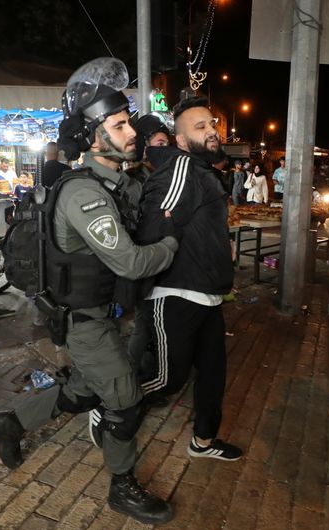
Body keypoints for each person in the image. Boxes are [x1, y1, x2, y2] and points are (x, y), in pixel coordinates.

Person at [0, 57, 179, 525]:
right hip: (82, 321)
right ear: (95, 135)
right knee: (125, 400)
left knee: (82, 390)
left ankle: (11, 423)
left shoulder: (111, 182)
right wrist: (174, 244)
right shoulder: (83, 195)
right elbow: (132, 261)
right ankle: (122, 487)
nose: (131, 132)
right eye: (119, 125)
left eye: (129, 122)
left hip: (97, 314)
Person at [125, 96, 243, 463]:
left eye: (212, 124)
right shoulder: (182, 169)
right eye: (200, 126)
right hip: (177, 293)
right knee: (166, 379)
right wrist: (143, 290)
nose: (211, 131)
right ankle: (108, 409)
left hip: (208, 295)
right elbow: (154, 229)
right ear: (179, 140)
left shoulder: (203, 170)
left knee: (212, 377)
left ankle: (203, 442)